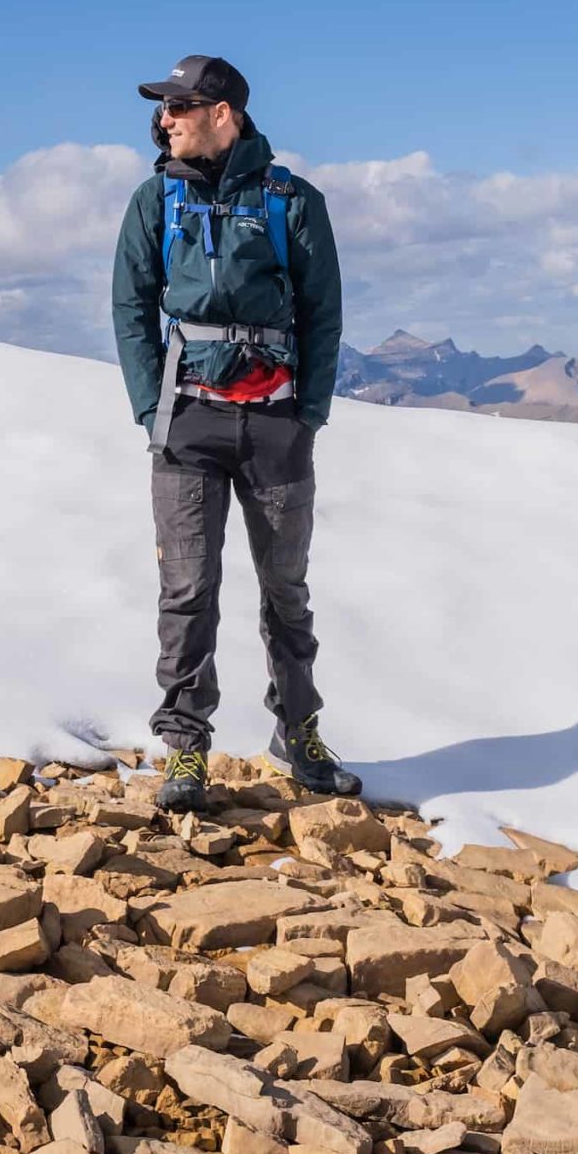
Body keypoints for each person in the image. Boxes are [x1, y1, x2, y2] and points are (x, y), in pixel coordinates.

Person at [111, 53, 360, 814]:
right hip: (187, 422)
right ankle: (185, 746)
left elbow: (323, 312)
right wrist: (151, 408)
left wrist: (308, 415)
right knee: (187, 589)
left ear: (223, 113)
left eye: (178, 106)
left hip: (276, 425)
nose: (164, 119)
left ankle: (299, 733)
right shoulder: (155, 199)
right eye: (163, 108)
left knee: (285, 590)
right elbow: (130, 307)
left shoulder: (292, 201)